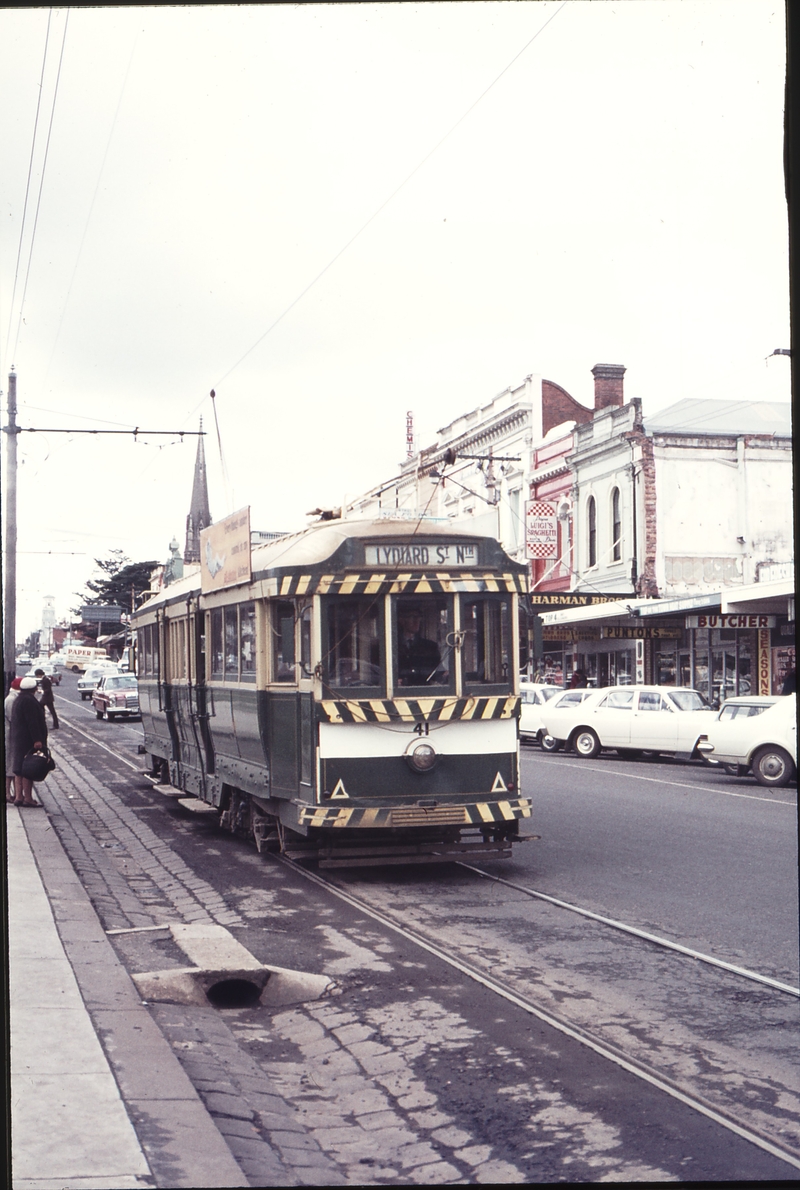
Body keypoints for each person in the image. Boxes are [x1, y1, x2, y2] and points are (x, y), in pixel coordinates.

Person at [8, 676, 48, 807]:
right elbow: (33, 722)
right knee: (28, 769)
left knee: (19, 769)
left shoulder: (18, 699)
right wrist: (37, 739)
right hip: (27, 740)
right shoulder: (29, 701)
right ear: (34, 688)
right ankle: (28, 798)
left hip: (18, 739)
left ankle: (19, 797)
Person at [396, 605, 443, 686]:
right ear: (402, 620)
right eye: (413, 617)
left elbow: (438, 672)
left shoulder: (430, 646)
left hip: (424, 692)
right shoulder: (390, 646)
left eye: (419, 617)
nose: (417, 621)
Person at [5, 677, 22, 803]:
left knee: (10, 765)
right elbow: (13, 717)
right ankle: (6, 793)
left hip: (11, 734)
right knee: (9, 765)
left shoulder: (12, 697)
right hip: (9, 735)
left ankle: (11, 792)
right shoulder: (11, 699)